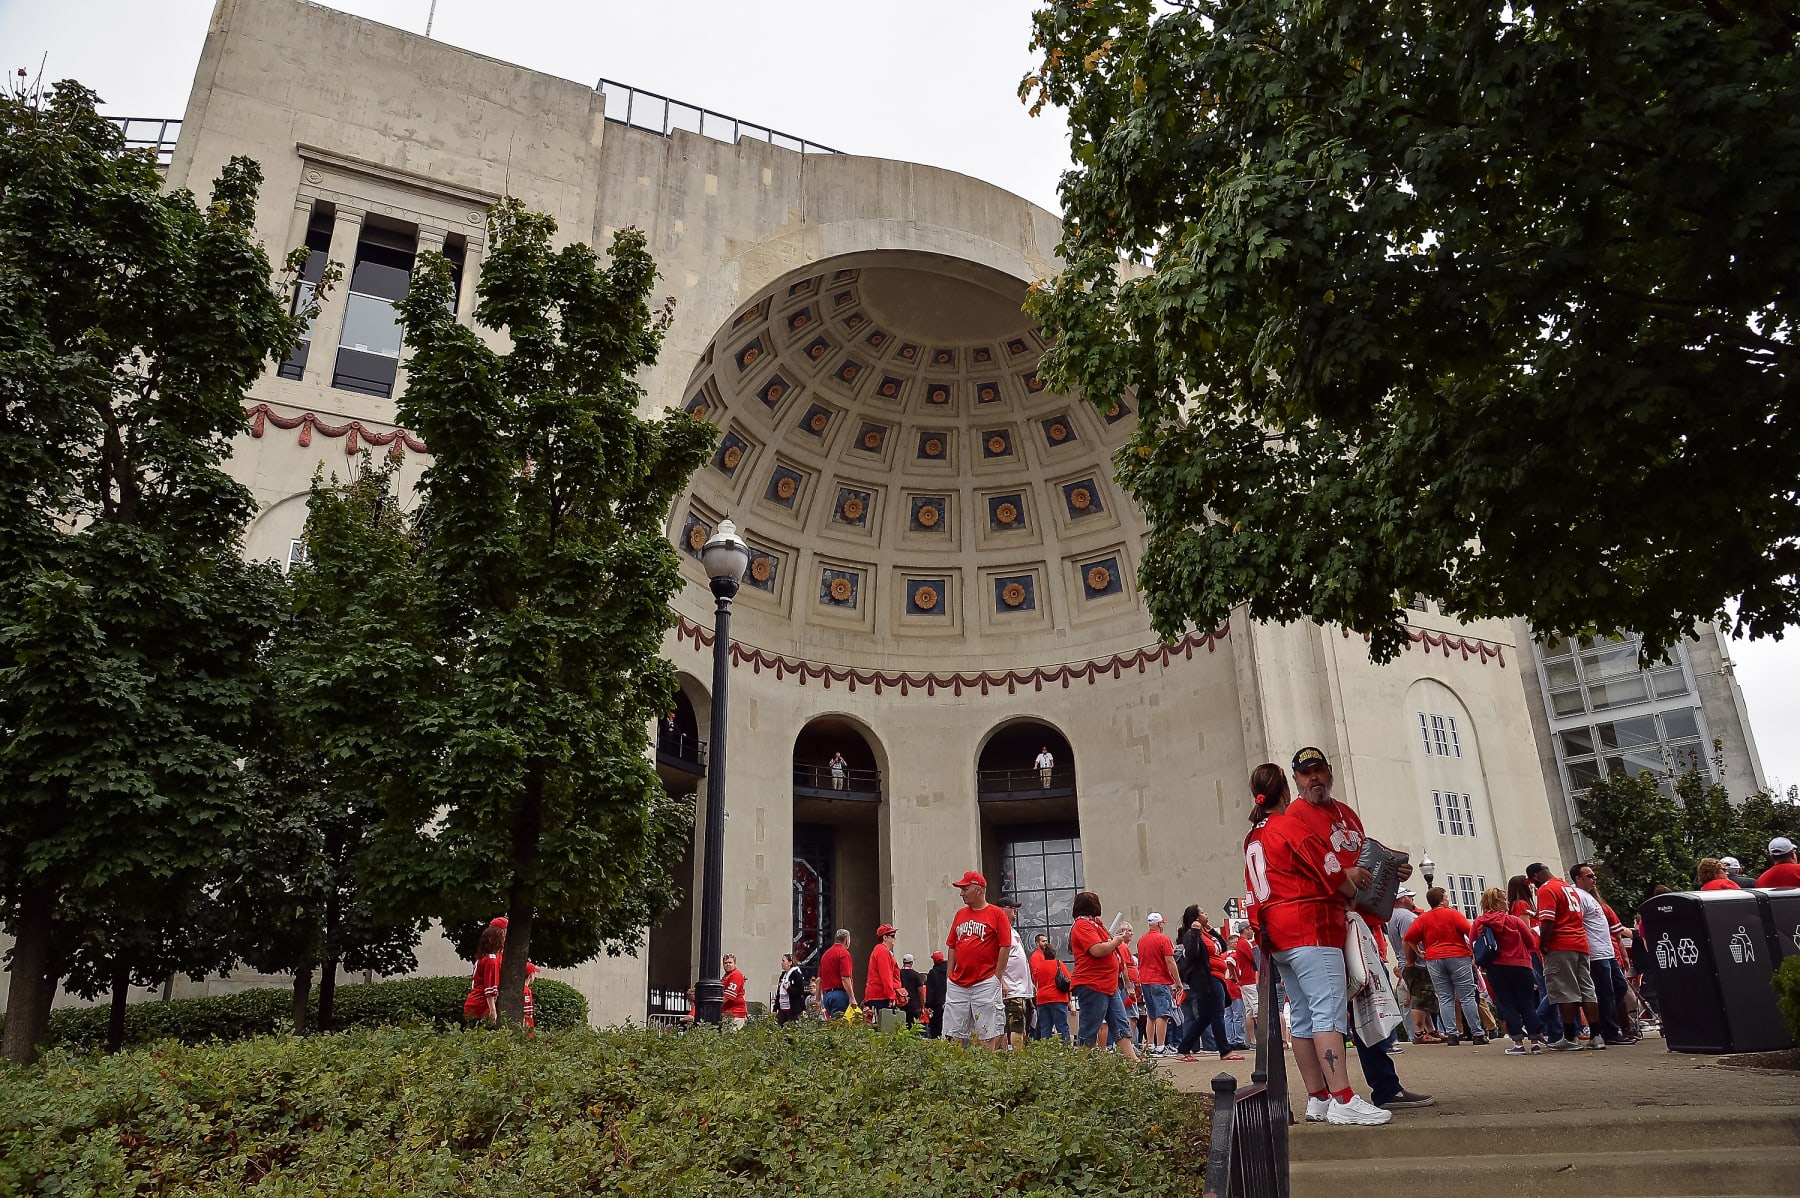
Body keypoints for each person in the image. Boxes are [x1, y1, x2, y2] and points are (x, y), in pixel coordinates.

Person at [1281, 749, 1431, 1112]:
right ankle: (1338, 1095)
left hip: (1357, 921)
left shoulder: (1345, 813)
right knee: (1330, 1010)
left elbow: (1364, 857)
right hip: (1328, 922)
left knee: (1367, 1001)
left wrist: (1390, 872)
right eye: (1306, 774)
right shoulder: (1296, 815)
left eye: (1318, 771)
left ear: (1329, 772)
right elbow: (1308, 868)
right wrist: (1344, 881)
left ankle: (1370, 1088)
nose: (1314, 778)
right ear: (1296, 780)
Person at [1243, 756, 1389, 1124]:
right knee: (1327, 1012)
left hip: (1277, 932)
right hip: (1311, 926)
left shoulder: (1253, 835)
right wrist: (1351, 885)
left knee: (1305, 1017)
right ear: (1286, 790)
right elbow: (1333, 871)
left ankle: (1318, 1097)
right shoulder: (1288, 826)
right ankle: (1342, 1097)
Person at [1527, 862, 1601, 1050]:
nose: (1532, 885)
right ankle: (1597, 1035)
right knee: (1587, 989)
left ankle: (1570, 1037)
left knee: (1563, 991)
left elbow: (1548, 920)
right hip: (1580, 942)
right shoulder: (1568, 888)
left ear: (1536, 876)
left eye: (1532, 881)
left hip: (1560, 944)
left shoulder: (1546, 890)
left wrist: (1543, 943)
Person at [1403, 888, 1485, 1046]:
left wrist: (1419, 951)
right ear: (1441, 900)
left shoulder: (1423, 918)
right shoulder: (1452, 914)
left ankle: (1452, 1034)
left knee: (1444, 997)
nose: (1448, 899)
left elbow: (1409, 937)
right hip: (1458, 955)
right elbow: (1470, 932)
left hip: (1434, 958)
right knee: (1466, 996)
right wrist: (1474, 952)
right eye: (1446, 897)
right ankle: (1477, 1033)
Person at [944, 870, 1011, 1048]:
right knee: (954, 1031)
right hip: (958, 982)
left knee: (988, 1030)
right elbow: (952, 945)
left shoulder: (996, 914)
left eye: (965, 889)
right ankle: (956, 1069)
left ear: (979, 890)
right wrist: (949, 974)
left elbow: (1005, 945)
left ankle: (985, 1070)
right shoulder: (960, 914)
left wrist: (997, 976)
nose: (961, 893)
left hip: (985, 981)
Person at [1068, 890, 1139, 1058]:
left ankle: (1133, 1061)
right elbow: (1097, 949)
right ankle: (1083, 1062)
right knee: (1090, 1026)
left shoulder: (1094, 924)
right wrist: (1115, 941)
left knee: (1121, 1022)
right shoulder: (1082, 925)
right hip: (1093, 982)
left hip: (1108, 983)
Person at [1572, 863, 1637, 1046]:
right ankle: (1610, 1031)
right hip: (1595, 954)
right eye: (1590, 876)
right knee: (1605, 992)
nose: (1595, 878)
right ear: (1579, 878)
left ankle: (1608, 1026)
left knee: (1618, 988)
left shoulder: (1592, 898)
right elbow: (1577, 923)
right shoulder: (1579, 896)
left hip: (1607, 952)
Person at [1472, 888, 1544, 1053]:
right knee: (1527, 1005)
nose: (1508, 902)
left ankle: (1518, 1044)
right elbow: (1531, 942)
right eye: (1504, 899)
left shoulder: (1479, 923)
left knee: (1508, 1005)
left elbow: (1473, 945)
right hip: (1521, 965)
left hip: (1495, 967)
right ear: (1498, 902)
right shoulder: (1514, 921)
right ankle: (1534, 1042)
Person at [993, 896, 1034, 1049]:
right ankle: (1017, 1059)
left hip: (1018, 988)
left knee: (1010, 1026)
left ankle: (1004, 1054)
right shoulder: (999, 930)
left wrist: (1030, 983)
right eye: (1012, 908)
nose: (1015, 912)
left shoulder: (1012, 931)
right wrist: (1001, 981)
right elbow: (996, 958)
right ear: (1002, 909)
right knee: (1014, 1026)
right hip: (1010, 988)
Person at [1136, 912, 1179, 1056]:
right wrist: (1177, 981)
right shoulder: (1163, 939)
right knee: (1163, 1015)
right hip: (1159, 980)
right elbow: (1170, 961)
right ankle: (1161, 1046)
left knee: (1151, 1015)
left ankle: (1151, 1045)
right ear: (1160, 924)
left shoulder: (1141, 940)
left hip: (1145, 980)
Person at [462, 917, 507, 1026]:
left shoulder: (487, 956)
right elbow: (490, 986)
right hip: (482, 1007)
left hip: (476, 1003)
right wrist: (492, 1010)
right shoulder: (491, 960)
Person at [1031, 935, 1072, 1042]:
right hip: (1058, 998)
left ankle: (1046, 1051)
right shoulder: (1058, 964)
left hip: (1042, 999)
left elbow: (1035, 979)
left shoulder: (1040, 966)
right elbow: (1068, 979)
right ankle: (1066, 1050)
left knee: (1045, 1028)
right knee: (1062, 1026)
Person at [864, 923, 904, 1014]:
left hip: (878, 996)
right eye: (892, 936)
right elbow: (886, 976)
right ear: (884, 937)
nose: (894, 938)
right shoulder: (883, 952)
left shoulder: (881, 950)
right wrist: (891, 996)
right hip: (881, 997)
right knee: (886, 1026)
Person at [818, 929, 855, 1020]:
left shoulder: (825, 955)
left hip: (827, 995)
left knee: (832, 1023)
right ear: (846, 940)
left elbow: (819, 979)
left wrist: (818, 999)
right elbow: (845, 978)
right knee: (840, 1027)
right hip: (840, 995)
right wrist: (852, 997)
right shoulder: (844, 954)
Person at [775, 953, 805, 1025]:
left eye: (783, 961)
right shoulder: (783, 975)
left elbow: (800, 991)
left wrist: (789, 988)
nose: (781, 963)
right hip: (782, 1009)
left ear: (790, 962)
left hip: (792, 1010)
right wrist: (775, 1008)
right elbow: (778, 993)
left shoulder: (796, 975)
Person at [720, 954, 748, 1029]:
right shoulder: (727, 976)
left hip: (735, 1014)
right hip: (728, 1013)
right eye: (725, 963)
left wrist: (716, 1006)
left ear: (735, 964)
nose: (728, 965)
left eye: (730, 962)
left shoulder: (735, 975)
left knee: (731, 1038)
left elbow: (728, 996)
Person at [924, 950, 948, 1038]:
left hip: (937, 1005)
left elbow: (930, 991)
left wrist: (928, 1005)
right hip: (949, 1002)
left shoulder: (932, 973)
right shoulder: (950, 970)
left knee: (936, 1029)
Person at [899, 953, 925, 1027]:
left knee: (903, 1026)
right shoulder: (916, 975)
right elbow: (920, 992)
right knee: (914, 1027)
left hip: (901, 1004)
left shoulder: (898, 974)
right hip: (914, 1005)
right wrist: (922, 1007)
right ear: (912, 963)